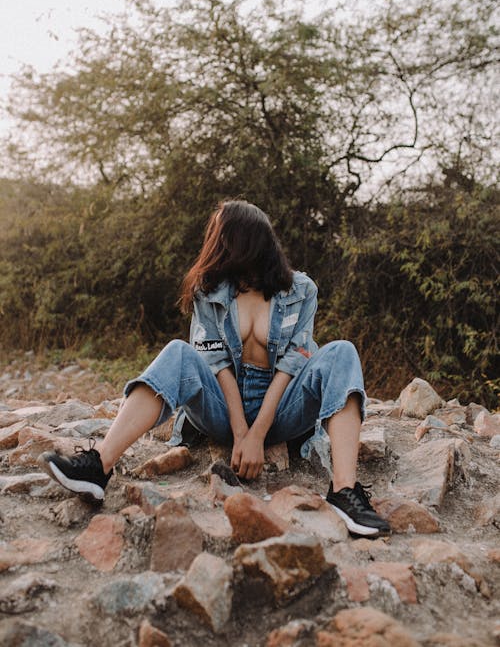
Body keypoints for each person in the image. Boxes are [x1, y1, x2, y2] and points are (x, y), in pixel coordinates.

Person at [41, 200, 390, 537]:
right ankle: (98, 466)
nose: (213, 245)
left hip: (283, 409)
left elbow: (292, 365)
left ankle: (344, 491)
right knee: (178, 351)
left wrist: (258, 435)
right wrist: (240, 433)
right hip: (223, 410)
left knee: (342, 351)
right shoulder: (208, 291)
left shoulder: (301, 290)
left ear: (243, 242)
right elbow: (216, 363)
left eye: (220, 236)